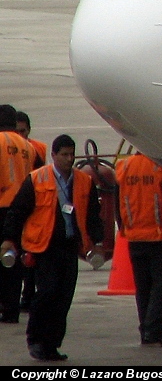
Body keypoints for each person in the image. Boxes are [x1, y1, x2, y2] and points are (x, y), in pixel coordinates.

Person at [1, 134, 103, 362]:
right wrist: (10, 239)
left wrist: (96, 242)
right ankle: (35, 340)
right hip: (43, 246)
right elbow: (18, 211)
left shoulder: (84, 181)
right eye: (64, 154)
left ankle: (52, 344)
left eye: (71, 154)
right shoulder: (37, 179)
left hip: (69, 245)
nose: (68, 159)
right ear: (54, 155)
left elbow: (93, 215)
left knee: (63, 297)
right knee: (47, 293)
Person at [115, 152, 162, 347]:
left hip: (134, 236)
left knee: (143, 287)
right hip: (159, 236)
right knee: (160, 285)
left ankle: (145, 329)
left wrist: (123, 226)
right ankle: (153, 328)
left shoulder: (125, 166)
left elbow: (118, 199)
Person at [0, 108, 34, 324]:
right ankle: (12, 308)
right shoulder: (27, 146)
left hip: (2, 205)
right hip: (22, 209)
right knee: (13, 262)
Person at [13, 111, 44, 312]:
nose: (20, 135)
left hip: (32, 207)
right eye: (17, 131)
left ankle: (29, 294)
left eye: (23, 131)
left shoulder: (36, 149)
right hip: (11, 206)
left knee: (31, 254)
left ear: (29, 130)